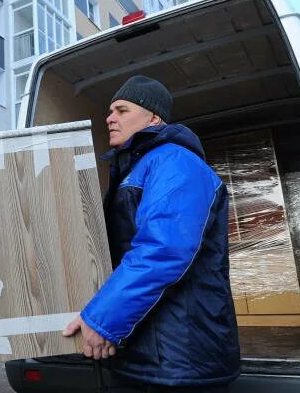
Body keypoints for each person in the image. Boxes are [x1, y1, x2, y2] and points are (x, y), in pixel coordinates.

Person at [63, 75, 240, 391]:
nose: (110, 118)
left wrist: (103, 319)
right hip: (147, 350)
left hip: (178, 356)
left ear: (154, 117)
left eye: (121, 110)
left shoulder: (174, 161)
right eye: (110, 111)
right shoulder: (138, 166)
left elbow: (163, 249)